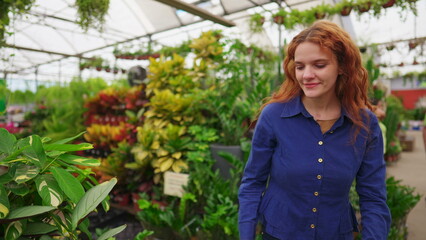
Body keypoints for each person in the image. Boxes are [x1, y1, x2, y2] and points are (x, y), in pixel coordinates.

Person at [238, 20, 391, 240]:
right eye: (300, 66)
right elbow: (252, 182)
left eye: (319, 65)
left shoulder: (364, 124)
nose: (306, 75)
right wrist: (246, 234)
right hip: (278, 234)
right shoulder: (274, 116)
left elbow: (373, 196)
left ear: (342, 66)